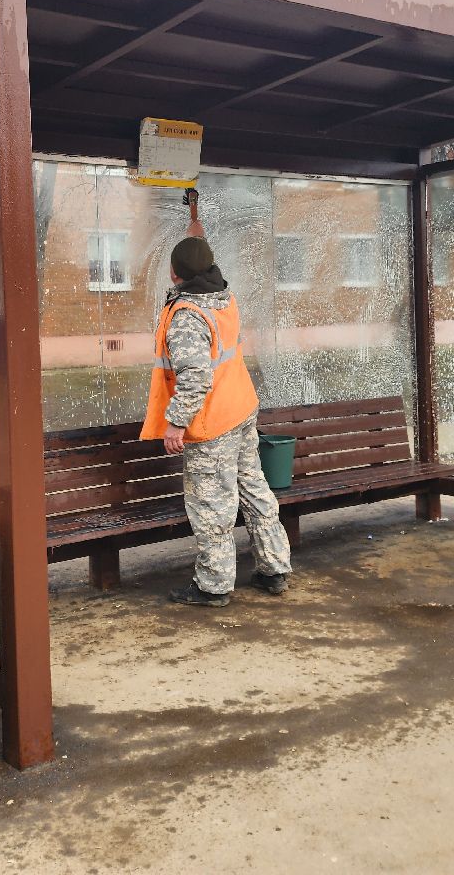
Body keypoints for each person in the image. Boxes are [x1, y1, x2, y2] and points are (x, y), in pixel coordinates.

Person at [139, 193, 293, 607]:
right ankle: (275, 568)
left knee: (211, 505)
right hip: (241, 409)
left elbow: (194, 377)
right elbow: (199, 251)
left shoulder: (188, 315)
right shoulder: (221, 293)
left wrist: (175, 423)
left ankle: (213, 585)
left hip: (211, 424)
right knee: (255, 490)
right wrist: (194, 220)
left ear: (174, 276)